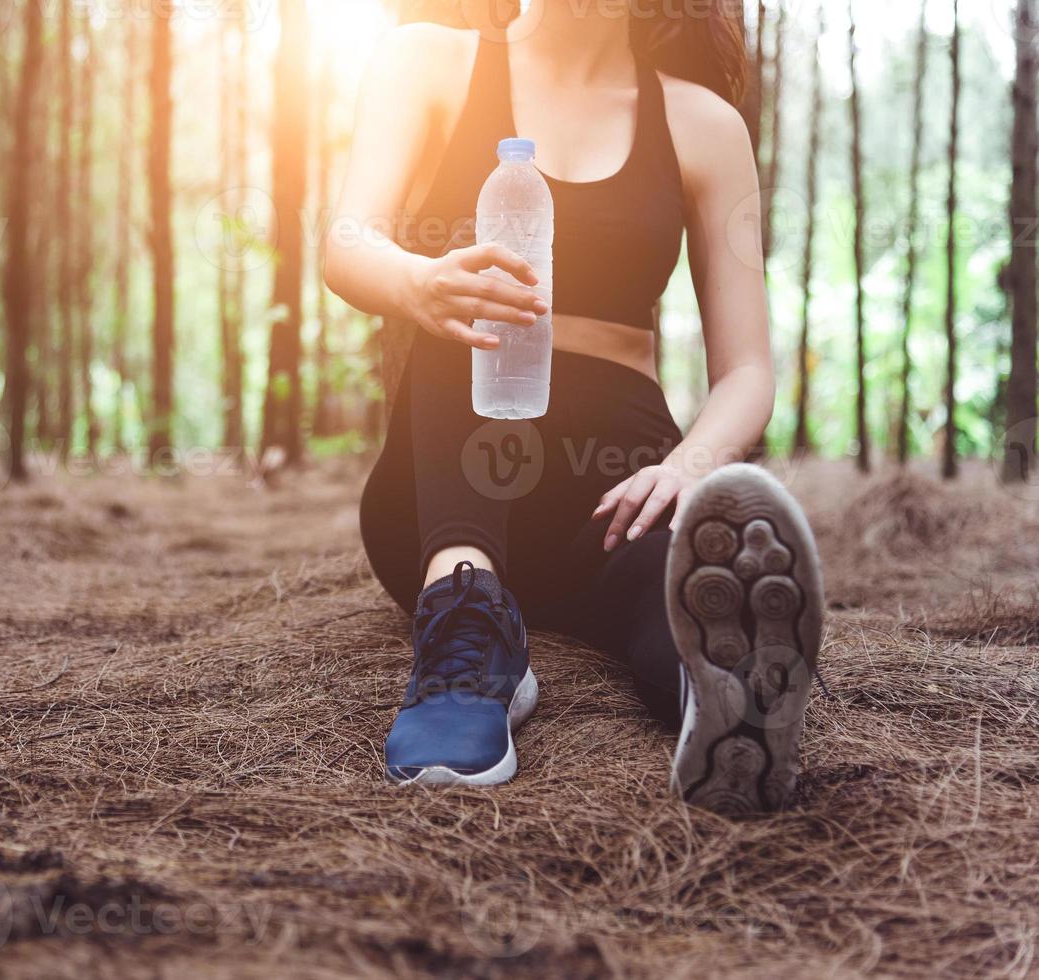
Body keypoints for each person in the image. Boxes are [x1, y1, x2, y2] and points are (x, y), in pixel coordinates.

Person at [323, 0, 825, 813]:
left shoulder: (703, 124)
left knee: (671, 598)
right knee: (479, 314)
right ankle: (465, 628)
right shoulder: (429, 61)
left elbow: (748, 370)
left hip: (618, 481)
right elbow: (346, 240)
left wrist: (684, 469)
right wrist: (419, 282)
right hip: (442, 484)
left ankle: (732, 704)